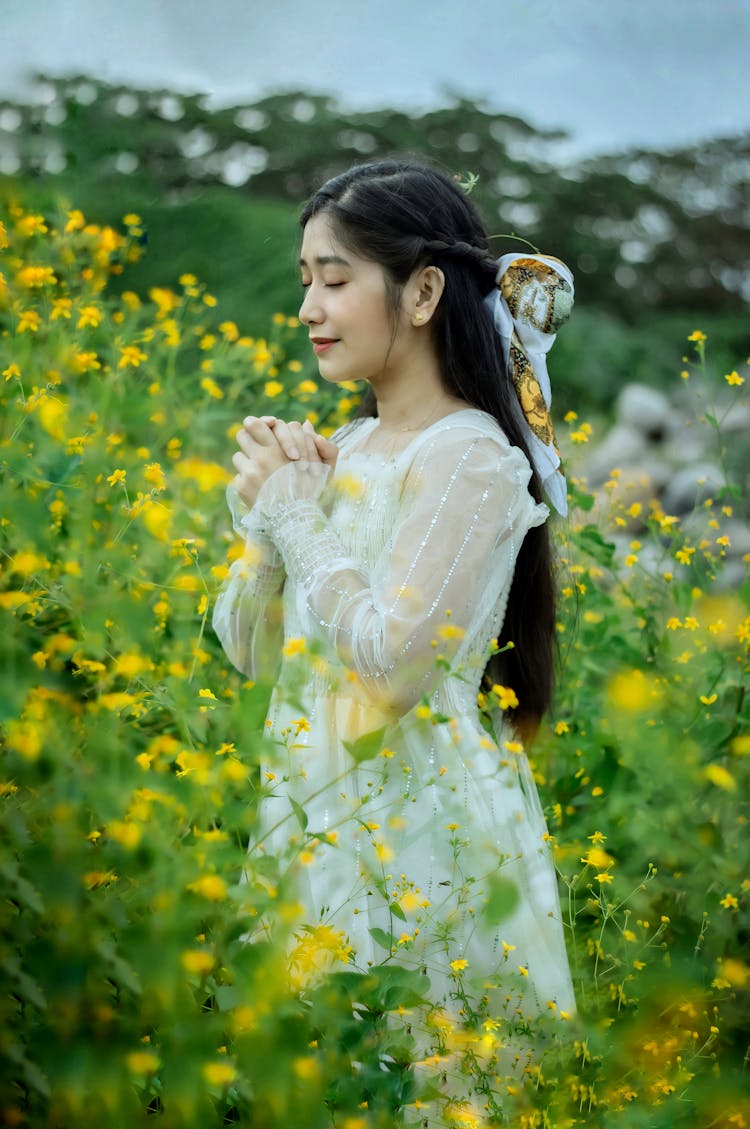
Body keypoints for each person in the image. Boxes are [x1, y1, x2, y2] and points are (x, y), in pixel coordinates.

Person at [212, 160, 576, 1031]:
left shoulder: (470, 456)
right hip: (314, 800)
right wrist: (272, 517)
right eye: (306, 281)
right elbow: (248, 651)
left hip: (421, 823)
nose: (309, 309)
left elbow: (394, 669)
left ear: (421, 294)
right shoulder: (352, 441)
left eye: (334, 280)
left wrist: (298, 517)